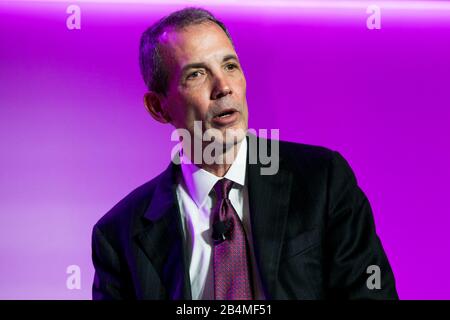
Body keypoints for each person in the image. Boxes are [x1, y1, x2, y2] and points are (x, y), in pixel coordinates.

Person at [91, 7, 398, 300]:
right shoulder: (119, 235)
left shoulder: (323, 181)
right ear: (158, 107)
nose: (223, 87)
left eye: (230, 66)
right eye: (197, 74)